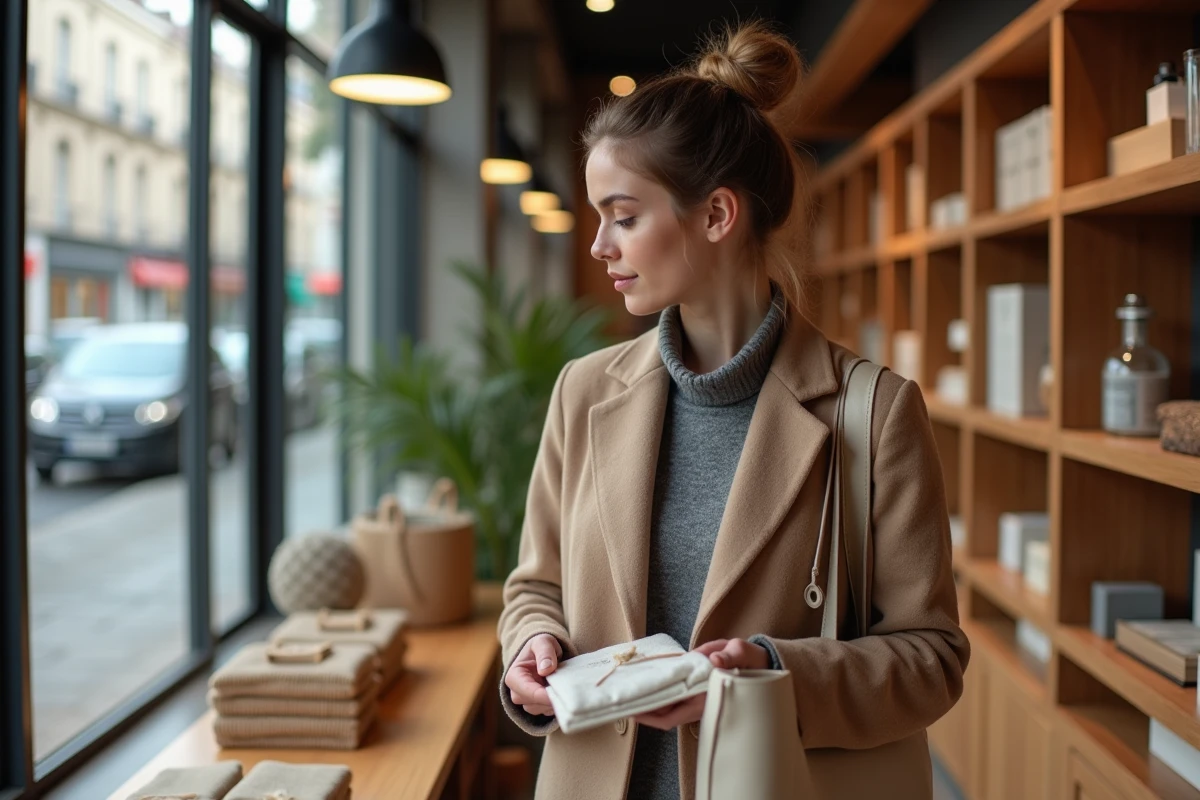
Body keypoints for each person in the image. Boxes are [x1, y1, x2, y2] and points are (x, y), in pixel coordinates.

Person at [497, 19, 969, 800]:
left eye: (624, 215)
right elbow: (534, 587)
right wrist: (532, 643)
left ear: (717, 215)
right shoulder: (584, 393)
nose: (600, 245)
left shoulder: (875, 412)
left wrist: (771, 672)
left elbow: (932, 658)